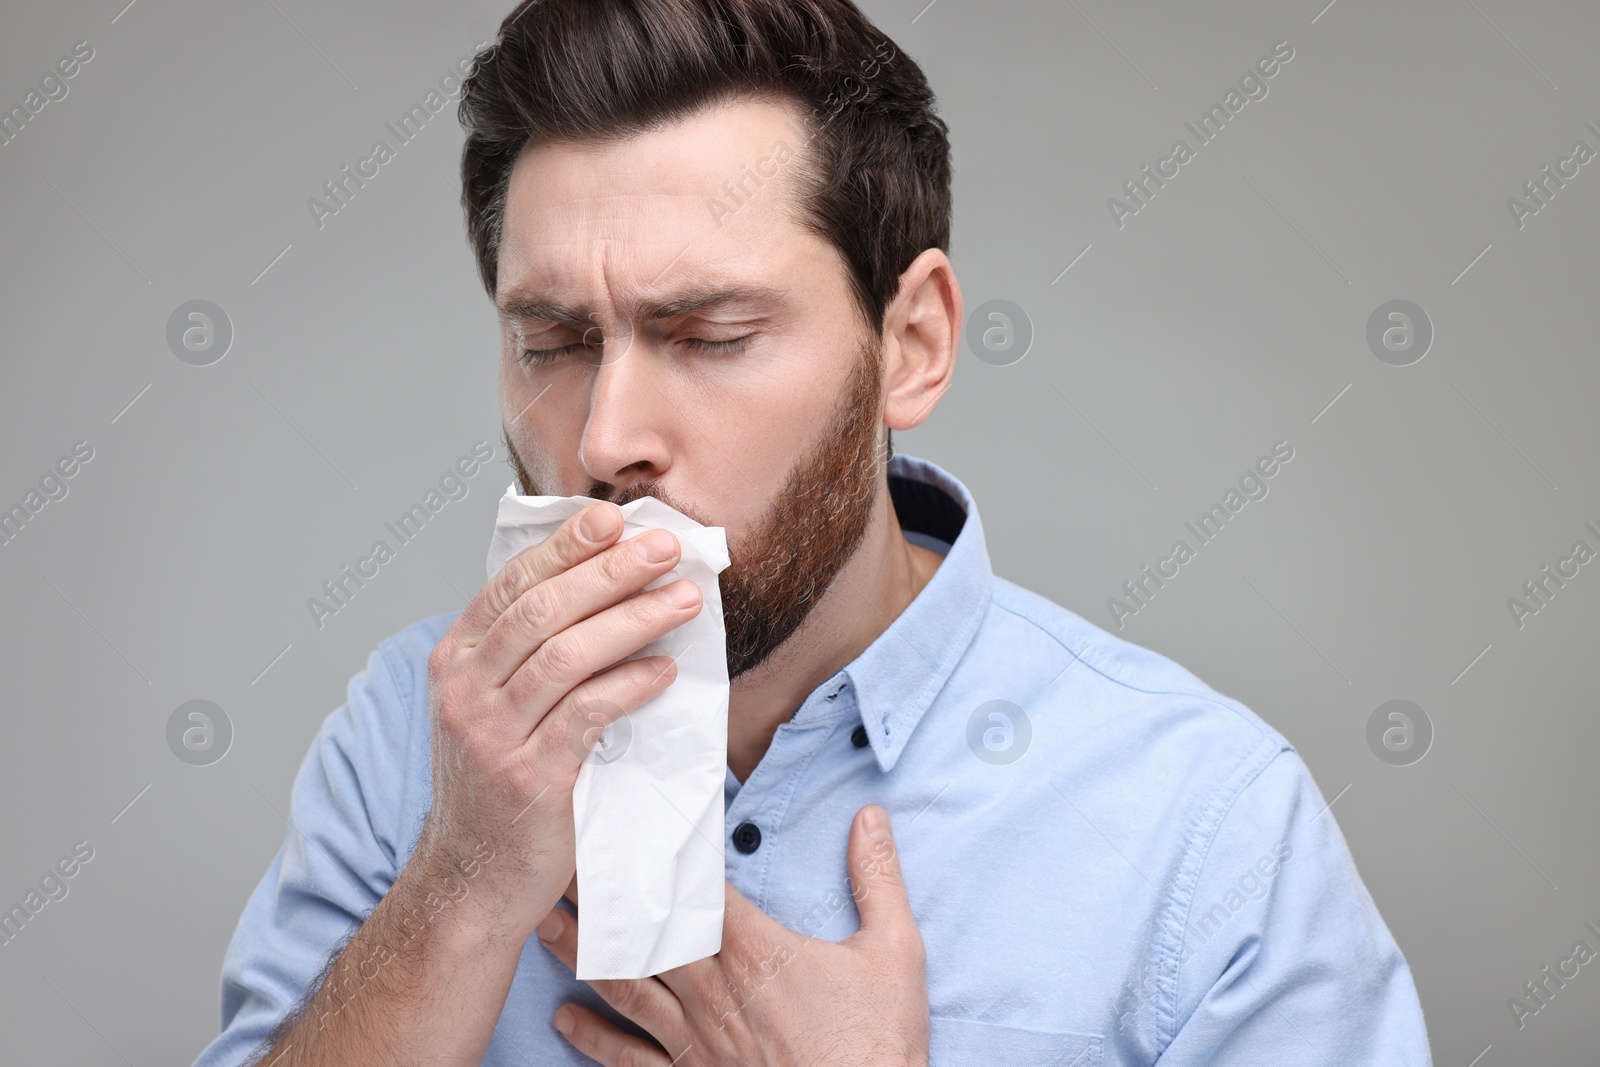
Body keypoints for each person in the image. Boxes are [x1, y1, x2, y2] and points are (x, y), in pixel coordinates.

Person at [195, 1, 1432, 1063]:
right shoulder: (407, 745)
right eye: (555, 343)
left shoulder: (1204, 822)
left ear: (913, 344)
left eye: (713, 336)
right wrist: (460, 886)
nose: (606, 437)